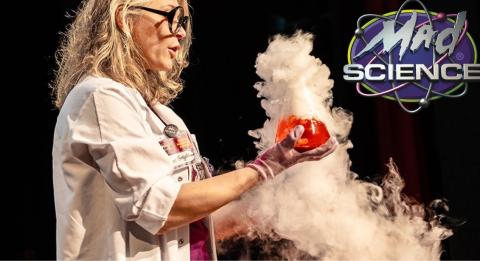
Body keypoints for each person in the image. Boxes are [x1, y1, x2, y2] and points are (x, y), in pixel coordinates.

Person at [51, 0, 338, 260]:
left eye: (184, 23)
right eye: (172, 17)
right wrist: (265, 167)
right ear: (123, 18)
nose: (181, 33)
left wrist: (273, 206)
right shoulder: (100, 96)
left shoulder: (160, 114)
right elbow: (160, 210)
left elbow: (189, 220)